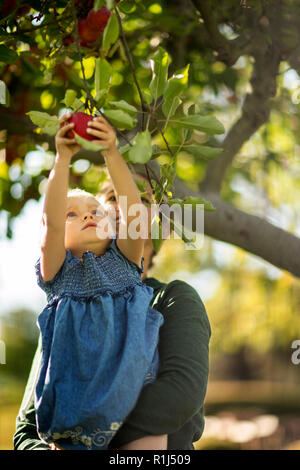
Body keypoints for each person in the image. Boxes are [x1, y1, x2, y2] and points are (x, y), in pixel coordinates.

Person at [13, 136, 211, 452]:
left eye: (137, 201)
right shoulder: (64, 314)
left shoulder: (172, 298)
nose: (115, 206)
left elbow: (178, 396)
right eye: (108, 198)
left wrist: (80, 433)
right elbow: (27, 430)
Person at [27, 112, 167, 450]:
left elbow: (133, 212)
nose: (88, 214)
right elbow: (51, 226)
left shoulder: (125, 262)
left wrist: (111, 152)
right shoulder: (58, 273)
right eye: (72, 214)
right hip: (72, 410)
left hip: (135, 398)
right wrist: (63, 159)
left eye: (95, 210)